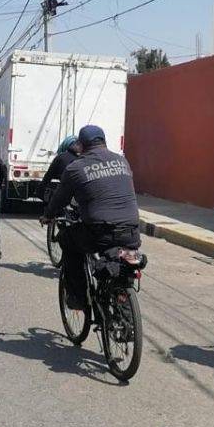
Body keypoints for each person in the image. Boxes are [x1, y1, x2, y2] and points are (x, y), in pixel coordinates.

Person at [42, 125, 140, 310]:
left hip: (99, 232)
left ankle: (78, 298)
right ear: (103, 141)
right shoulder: (122, 161)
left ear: (81, 145)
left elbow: (59, 199)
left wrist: (48, 216)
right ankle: (122, 304)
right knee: (121, 261)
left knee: (66, 239)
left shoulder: (75, 167)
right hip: (132, 230)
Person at [38, 135, 81, 201]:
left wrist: (41, 190)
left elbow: (48, 175)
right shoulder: (81, 159)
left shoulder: (60, 157)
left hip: (65, 192)